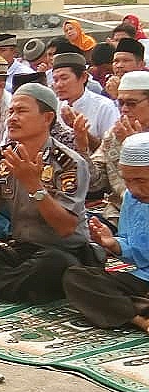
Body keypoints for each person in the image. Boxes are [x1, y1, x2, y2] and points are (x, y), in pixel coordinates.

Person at [0, 83, 100, 302]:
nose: (12, 118)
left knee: (52, 263)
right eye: (11, 111)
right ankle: (21, 285)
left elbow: (65, 228)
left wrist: (33, 185)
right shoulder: (2, 157)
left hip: (64, 252)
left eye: (21, 111)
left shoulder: (69, 162)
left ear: (47, 118)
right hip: (22, 251)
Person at [63, 132, 149, 332]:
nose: (133, 188)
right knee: (76, 277)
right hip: (143, 278)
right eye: (127, 180)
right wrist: (114, 244)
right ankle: (138, 317)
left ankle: (130, 307)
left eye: (141, 180)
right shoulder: (131, 197)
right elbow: (137, 252)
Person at [77, 70, 149, 227]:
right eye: (121, 103)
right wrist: (83, 149)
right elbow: (95, 183)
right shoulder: (114, 134)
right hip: (115, 213)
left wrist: (134, 147)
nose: (124, 109)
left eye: (131, 103)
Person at [52, 52, 119, 145]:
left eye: (64, 78)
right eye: (55, 80)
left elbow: (111, 149)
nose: (59, 85)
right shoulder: (55, 105)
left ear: (83, 77)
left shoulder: (104, 106)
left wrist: (78, 129)